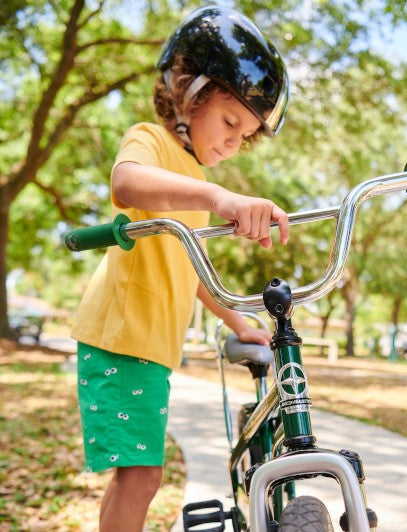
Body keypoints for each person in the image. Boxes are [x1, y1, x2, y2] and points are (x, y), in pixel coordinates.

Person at [70, 6, 290, 531]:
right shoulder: (153, 141)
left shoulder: (190, 175)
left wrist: (237, 319)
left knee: (137, 476)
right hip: (121, 339)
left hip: (147, 348)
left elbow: (190, 272)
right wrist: (219, 196)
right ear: (191, 92)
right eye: (230, 121)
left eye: (245, 135)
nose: (233, 142)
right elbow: (127, 183)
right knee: (140, 478)